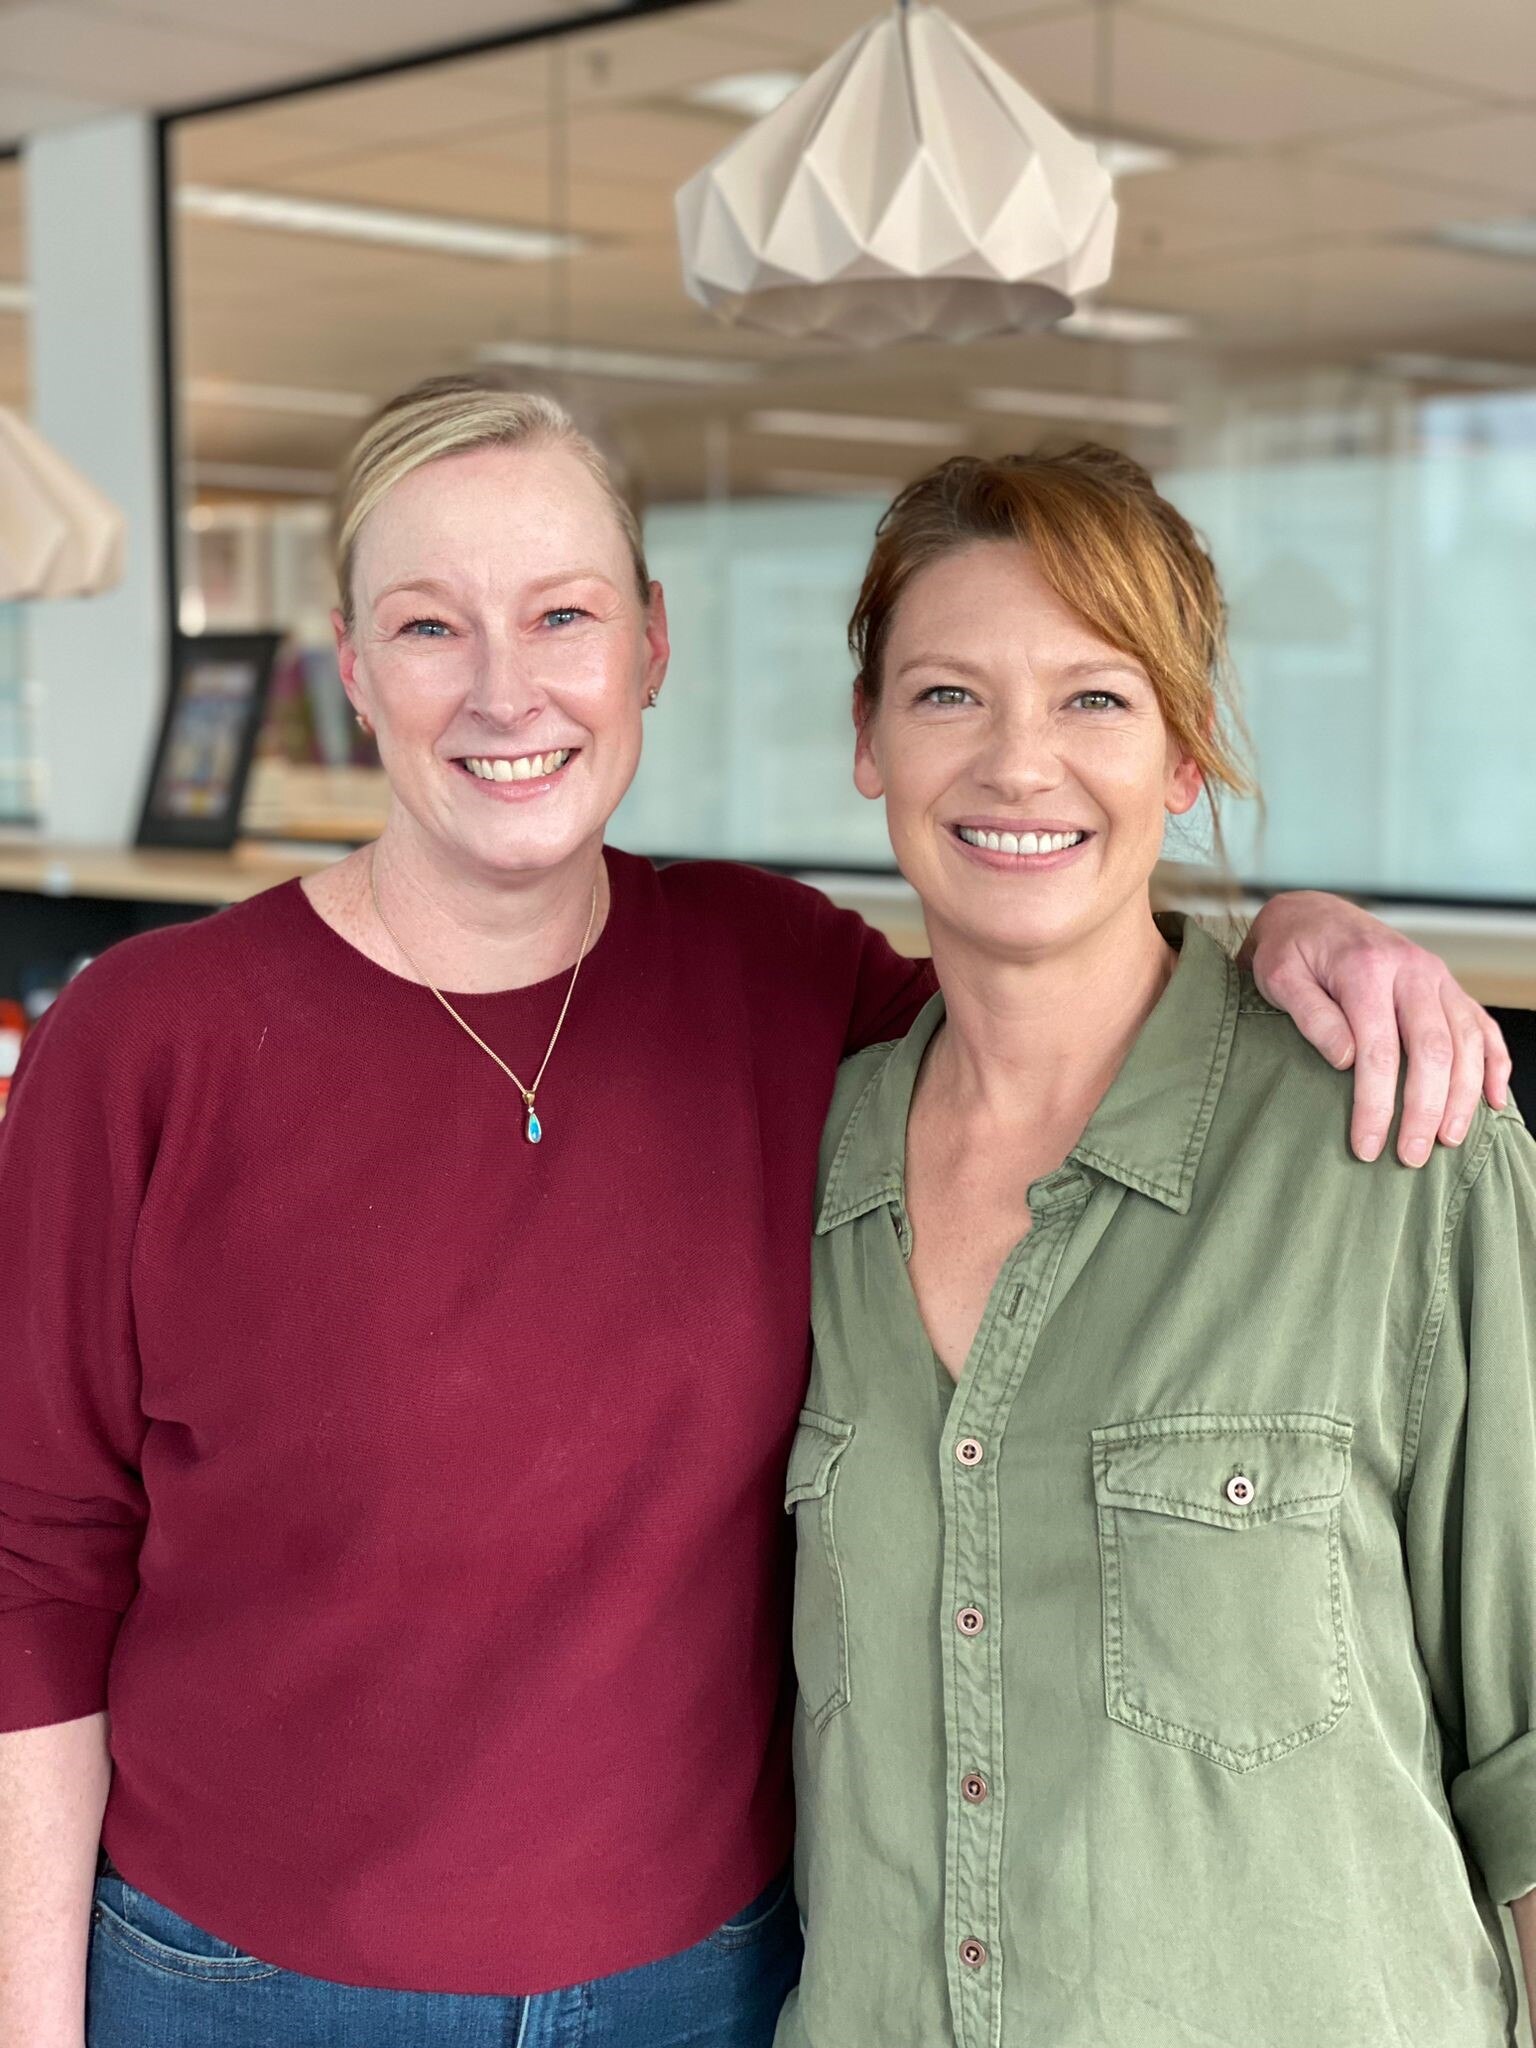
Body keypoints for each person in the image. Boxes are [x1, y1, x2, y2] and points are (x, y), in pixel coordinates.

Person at [0, 377, 1510, 2048]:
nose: (507, 689)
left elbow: (1072, 948)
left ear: (650, 644)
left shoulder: (784, 990)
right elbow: (31, 1571)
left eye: (561, 613)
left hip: (708, 1993)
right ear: (350, 665)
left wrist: (1309, 928)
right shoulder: (146, 1042)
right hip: (243, 1990)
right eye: (429, 628)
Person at [777, 445, 1536, 2048]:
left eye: (1095, 700)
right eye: (946, 697)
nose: (1018, 765)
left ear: (1186, 752)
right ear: (866, 741)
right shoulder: (802, 1166)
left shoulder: (1400, 1150)